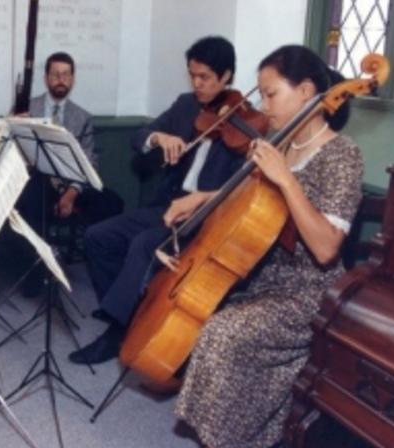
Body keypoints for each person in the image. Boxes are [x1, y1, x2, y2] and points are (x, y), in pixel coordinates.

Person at [173, 44, 363, 448]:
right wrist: (202, 198)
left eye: (271, 94)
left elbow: (326, 246)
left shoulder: (342, 155)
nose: (263, 106)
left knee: (227, 331)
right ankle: (227, 424)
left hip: (311, 288)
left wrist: (286, 179)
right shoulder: (280, 143)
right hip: (265, 272)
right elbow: (250, 205)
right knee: (199, 304)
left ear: (308, 91)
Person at [70, 36, 246, 364]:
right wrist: (158, 137)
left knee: (143, 243)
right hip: (166, 204)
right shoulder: (185, 105)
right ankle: (122, 310)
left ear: (226, 76)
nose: (197, 84)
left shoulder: (246, 122)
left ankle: (116, 333)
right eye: (192, 75)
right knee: (98, 236)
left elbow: (241, 189)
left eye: (205, 77)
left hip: (203, 216)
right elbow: (139, 138)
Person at [16, 51, 124, 296]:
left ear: (73, 79)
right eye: (55, 74)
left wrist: (72, 194)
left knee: (112, 202)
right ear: (46, 78)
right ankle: (36, 274)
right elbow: (16, 153)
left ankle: (104, 276)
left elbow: (90, 163)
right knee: (32, 198)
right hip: (38, 182)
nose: (60, 79)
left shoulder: (83, 117)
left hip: (71, 185)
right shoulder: (27, 108)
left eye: (65, 74)